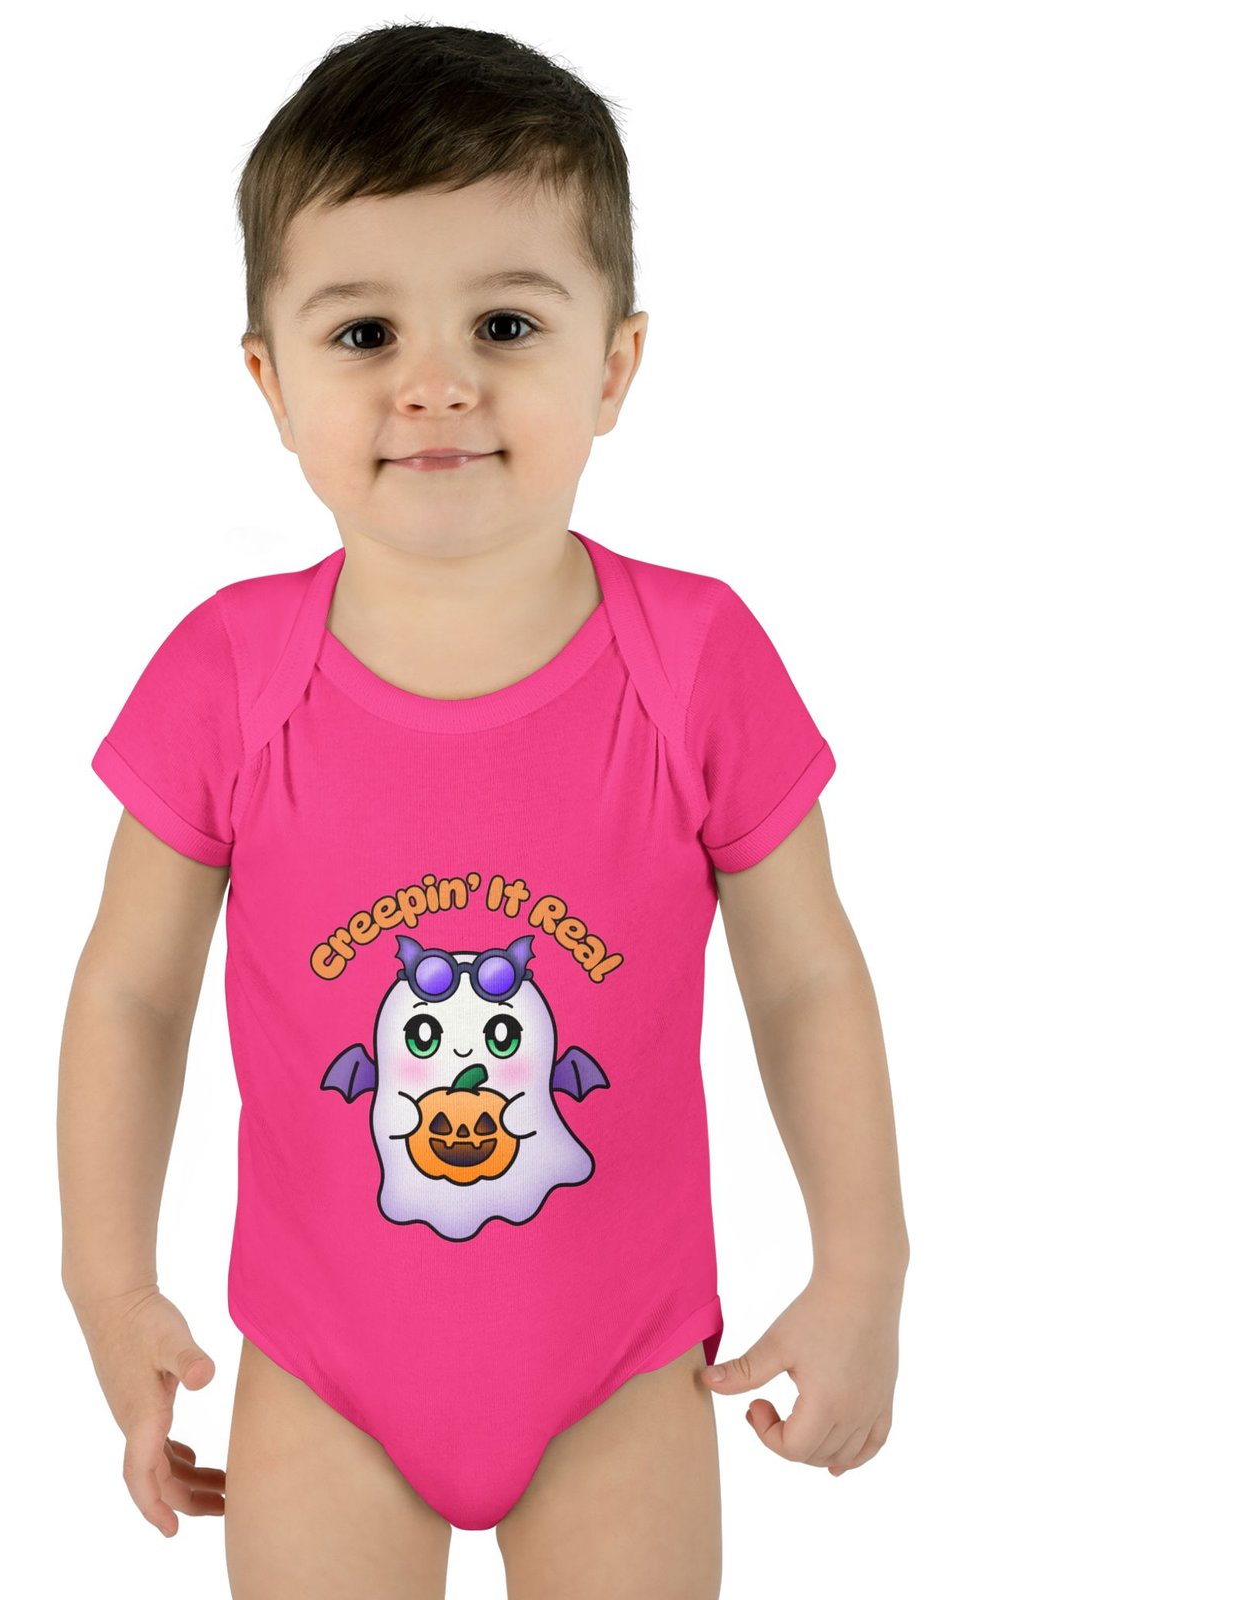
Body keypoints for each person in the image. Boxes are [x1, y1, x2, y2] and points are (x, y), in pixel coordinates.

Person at [58, 22, 907, 1600]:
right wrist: (109, 1288)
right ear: (271, 383)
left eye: (505, 323)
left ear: (615, 366)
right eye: (365, 332)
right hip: (321, 1372)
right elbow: (129, 994)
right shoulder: (227, 675)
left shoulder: (697, 658)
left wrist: (865, 1266)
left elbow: (803, 978)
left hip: (621, 1370)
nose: (436, 384)